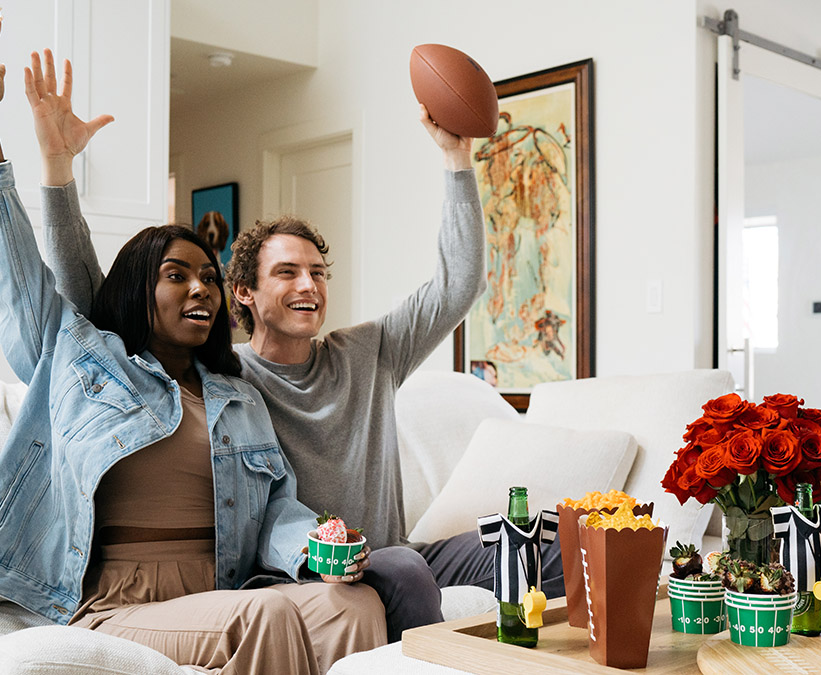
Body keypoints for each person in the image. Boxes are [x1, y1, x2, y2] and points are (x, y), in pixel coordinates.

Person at [45, 30, 566, 640]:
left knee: (549, 542)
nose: (309, 286)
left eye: (318, 272)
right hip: (298, 574)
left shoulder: (369, 352)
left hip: (398, 554)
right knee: (401, 568)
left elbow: (460, 284)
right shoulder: (223, 379)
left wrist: (457, 159)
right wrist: (59, 176)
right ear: (243, 292)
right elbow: (96, 312)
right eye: (287, 272)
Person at [0, 8, 385, 673]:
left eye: (210, 278)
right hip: (117, 601)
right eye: (176, 275)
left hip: (220, 591)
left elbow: (276, 508)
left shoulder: (237, 399)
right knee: (266, 614)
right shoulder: (85, 363)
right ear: (139, 288)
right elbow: (11, 264)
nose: (201, 289)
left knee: (352, 604)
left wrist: (317, 549)